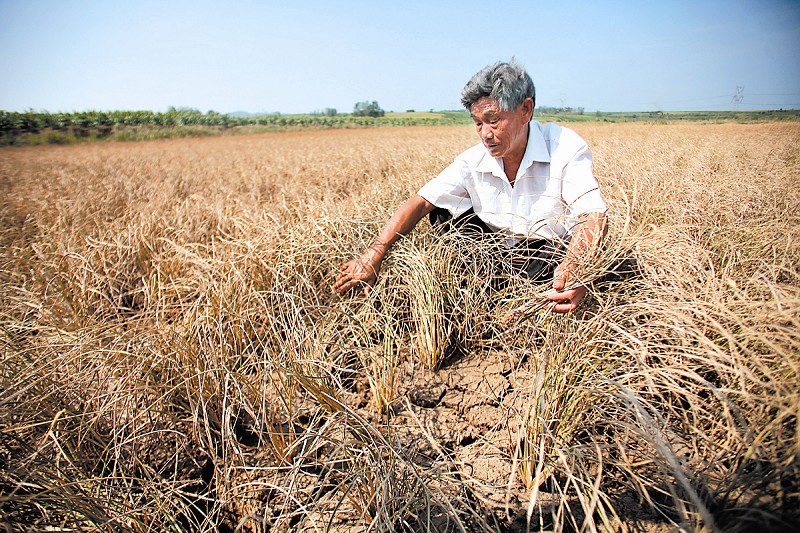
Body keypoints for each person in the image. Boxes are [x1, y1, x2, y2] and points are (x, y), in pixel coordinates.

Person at [333, 60, 607, 313]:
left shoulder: (564, 146)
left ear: (525, 110)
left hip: (548, 254)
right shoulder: (473, 160)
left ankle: (534, 293)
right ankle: (489, 289)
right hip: (496, 255)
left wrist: (575, 268)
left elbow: (592, 216)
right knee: (441, 212)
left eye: (494, 120)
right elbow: (420, 202)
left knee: (555, 259)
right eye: (478, 123)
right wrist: (373, 254)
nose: (486, 134)